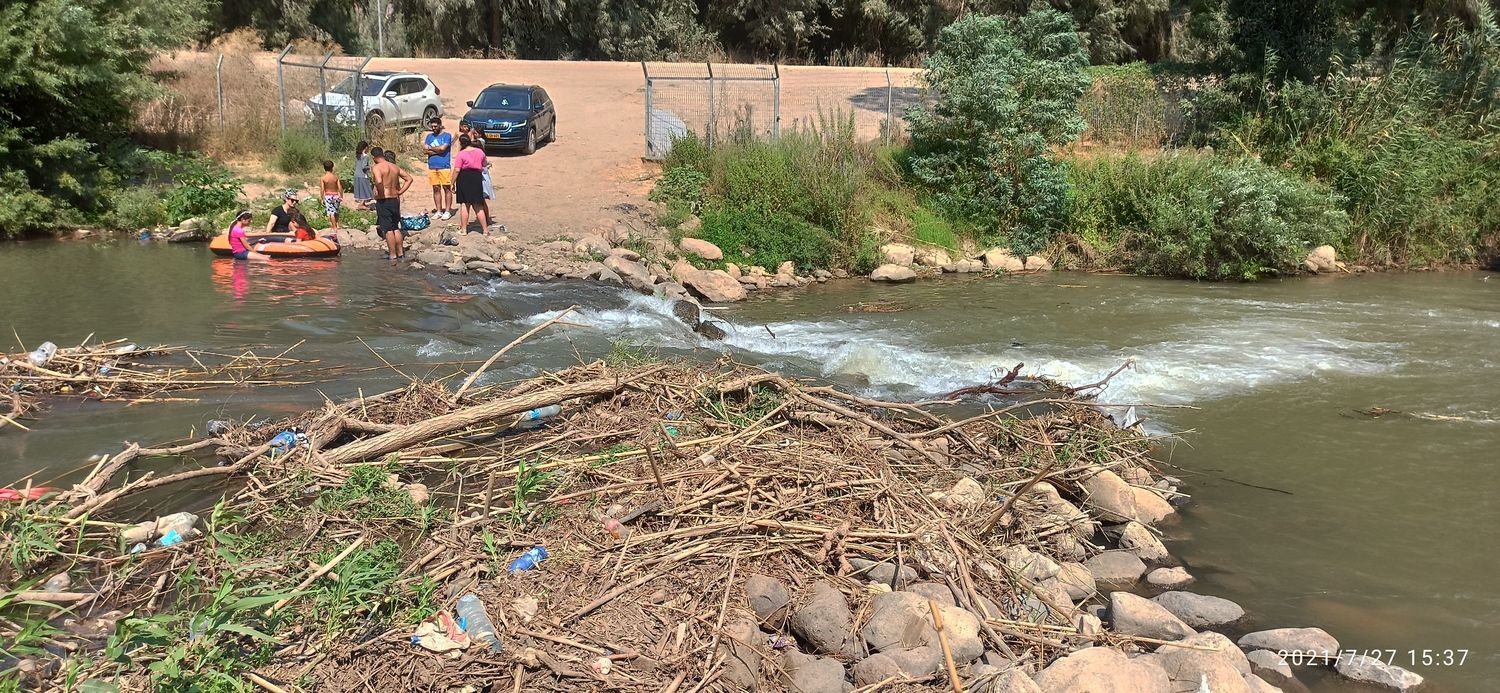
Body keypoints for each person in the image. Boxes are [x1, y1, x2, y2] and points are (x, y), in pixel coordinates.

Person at [372, 148, 414, 261]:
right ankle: (400, 252)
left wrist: (379, 193)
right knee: (395, 227)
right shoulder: (394, 167)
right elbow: (409, 179)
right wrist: (400, 192)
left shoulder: (376, 167)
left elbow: (379, 181)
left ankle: (392, 254)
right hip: (395, 199)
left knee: (388, 229)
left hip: (384, 200)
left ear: (374, 157)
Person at [453, 135, 490, 234]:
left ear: (461, 143)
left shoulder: (461, 154)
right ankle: (485, 230)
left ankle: (464, 229)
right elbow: (484, 164)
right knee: (478, 205)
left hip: (464, 178)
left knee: (465, 204)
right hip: (476, 177)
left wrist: (452, 182)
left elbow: (457, 170)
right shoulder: (480, 152)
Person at [422, 117, 454, 220]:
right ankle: (439, 210)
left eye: (435, 126)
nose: (434, 128)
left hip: (444, 166)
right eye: (432, 126)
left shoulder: (447, 136)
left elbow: (443, 148)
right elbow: (425, 151)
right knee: (436, 188)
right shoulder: (429, 137)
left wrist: (431, 149)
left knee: (446, 188)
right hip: (432, 166)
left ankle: (447, 210)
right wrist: (438, 150)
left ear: (440, 125)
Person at [320, 160, 343, 231]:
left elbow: (322, 189)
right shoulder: (335, 177)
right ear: (332, 167)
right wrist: (341, 195)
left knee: (331, 212)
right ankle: (337, 224)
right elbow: (340, 187)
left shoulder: (323, 178)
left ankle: (334, 226)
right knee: (336, 210)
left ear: (324, 168)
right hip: (336, 195)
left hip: (328, 196)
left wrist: (322, 198)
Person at [352, 141, 374, 209]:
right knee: (365, 188)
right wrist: (370, 167)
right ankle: (361, 204)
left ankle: (363, 203)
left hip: (357, 174)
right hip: (362, 175)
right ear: (366, 148)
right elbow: (364, 166)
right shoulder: (365, 156)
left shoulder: (358, 156)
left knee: (360, 189)